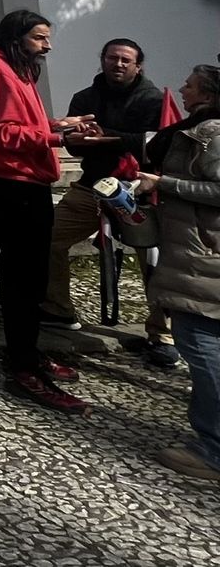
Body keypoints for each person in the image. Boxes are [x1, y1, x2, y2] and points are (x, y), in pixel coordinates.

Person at [0, 9, 107, 414]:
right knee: (22, 278)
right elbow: (3, 132)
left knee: (32, 276)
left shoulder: (13, 67)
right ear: (16, 37)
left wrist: (58, 124)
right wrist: (59, 138)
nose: (48, 46)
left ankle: (28, 353)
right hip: (13, 182)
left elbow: (17, 121)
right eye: (39, 38)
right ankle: (23, 368)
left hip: (27, 179)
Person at [38, 39, 171, 361]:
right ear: (103, 60)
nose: (118, 64)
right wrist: (80, 138)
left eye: (126, 60)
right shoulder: (85, 98)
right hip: (92, 187)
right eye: (113, 58)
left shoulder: (152, 99)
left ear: (138, 66)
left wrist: (107, 136)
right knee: (48, 238)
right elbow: (73, 145)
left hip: (138, 191)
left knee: (153, 261)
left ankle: (163, 334)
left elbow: (154, 143)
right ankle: (58, 309)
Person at [140, 64, 220, 481]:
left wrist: (163, 184)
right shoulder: (198, 129)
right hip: (198, 254)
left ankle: (214, 451)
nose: (182, 90)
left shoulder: (212, 132)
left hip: (204, 260)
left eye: (189, 85)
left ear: (206, 94)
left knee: (201, 346)